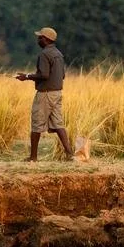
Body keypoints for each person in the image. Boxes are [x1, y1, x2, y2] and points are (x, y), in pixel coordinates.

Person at [15, 26, 74, 161]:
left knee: (37, 123)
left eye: (40, 37)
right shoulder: (59, 54)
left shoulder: (44, 54)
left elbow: (44, 75)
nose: (38, 39)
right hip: (57, 93)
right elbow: (62, 75)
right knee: (58, 123)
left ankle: (33, 157)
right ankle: (69, 154)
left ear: (46, 39)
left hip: (45, 94)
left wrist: (27, 76)